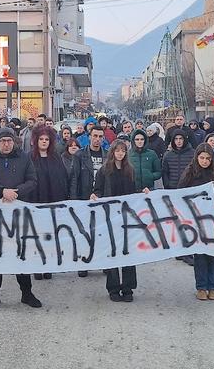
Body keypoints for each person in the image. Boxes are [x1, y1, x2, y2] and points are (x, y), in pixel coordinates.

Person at [0, 127, 40, 310]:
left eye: (9, 141)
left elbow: (32, 181)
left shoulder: (24, 158)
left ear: (14, 142)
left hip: (19, 212)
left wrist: (16, 193)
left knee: (21, 252)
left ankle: (27, 293)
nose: (6, 144)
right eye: (3, 141)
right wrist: (1, 191)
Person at [89, 139, 147, 302]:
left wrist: (143, 192)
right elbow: (98, 190)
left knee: (128, 252)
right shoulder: (104, 171)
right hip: (110, 217)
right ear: (112, 152)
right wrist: (95, 195)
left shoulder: (130, 170)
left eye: (123, 150)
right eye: (117, 150)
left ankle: (128, 288)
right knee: (112, 252)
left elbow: (135, 191)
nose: (120, 153)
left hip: (127, 217)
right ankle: (113, 288)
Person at [177, 143, 214, 300]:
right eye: (202, 158)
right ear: (197, 158)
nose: (205, 161)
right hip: (196, 220)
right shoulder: (189, 173)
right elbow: (180, 192)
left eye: (208, 158)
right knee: (200, 255)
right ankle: (201, 287)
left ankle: (213, 287)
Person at [29, 124, 69, 281]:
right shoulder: (29, 158)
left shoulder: (55, 158)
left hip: (53, 202)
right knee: (36, 235)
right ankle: (37, 267)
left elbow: (62, 179)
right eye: (41, 139)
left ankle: (48, 266)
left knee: (50, 235)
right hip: (36, 202)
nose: (44, 142)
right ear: (36, 140)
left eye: (46, 139)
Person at [128, 129, 161, 193]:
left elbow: (158, 172)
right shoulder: (128, 154)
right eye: (137, 139)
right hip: (133, 190)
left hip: (149, 189)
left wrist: (150, 176)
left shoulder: (152, 154)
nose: (139, 141)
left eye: (142, 139)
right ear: (133, 141)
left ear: (145, 140)